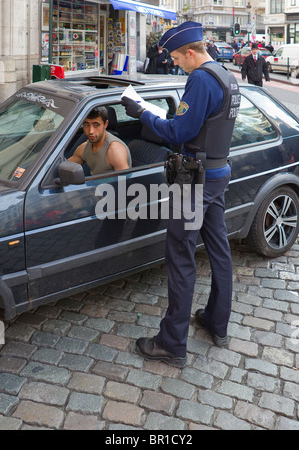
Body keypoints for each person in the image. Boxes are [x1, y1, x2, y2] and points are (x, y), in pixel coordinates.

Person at [121, 21, 241, 367]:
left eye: (177, 58)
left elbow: (180, 131)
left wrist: (142, 111)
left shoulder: (201, 79)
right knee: (219, 249)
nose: (175, 63)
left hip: (193, 180)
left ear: (191, 52)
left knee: (180, 257)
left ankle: (172, 343)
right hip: (217, 172)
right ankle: (217, 323)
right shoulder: (225, 75)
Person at [69, 107, 131, 174]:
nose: (91, 131)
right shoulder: (84, 148)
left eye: (96, 125)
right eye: (86, 125)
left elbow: (124, 182)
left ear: (105, 124)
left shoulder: (115, 150)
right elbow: (66, 168)